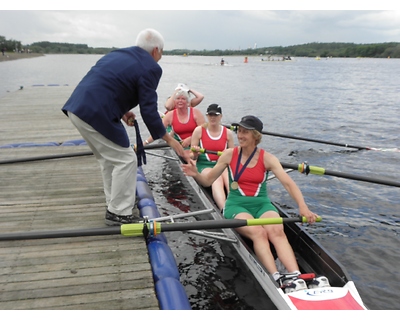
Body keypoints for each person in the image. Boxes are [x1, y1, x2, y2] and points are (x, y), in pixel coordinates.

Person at [61, 28, 188, 226]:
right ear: (156, 50)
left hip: (77, 108)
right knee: (126, 160)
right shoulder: (151, 67)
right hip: (96, 113)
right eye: (162, 52)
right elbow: (148, 110)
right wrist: (170, 140)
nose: (160, 56)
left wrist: (122, 112)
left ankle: (114, 205)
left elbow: (105, 84)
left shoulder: (117, 54)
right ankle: (119, 213)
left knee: (109, 160)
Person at [182, 115, 319, 290]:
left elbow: (288, 184)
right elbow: (208, 181)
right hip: (236, 206)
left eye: (245, 132)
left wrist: (303, 207)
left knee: (277, 228)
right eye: (239, 131)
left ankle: (296, 276)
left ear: (256, 136)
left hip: (262, 204)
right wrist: (196, 174)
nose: (240, 135)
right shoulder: (229, 155)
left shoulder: (268, 158)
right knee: (258, 232)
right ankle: (276, 278)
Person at [190, 104, 235, 210]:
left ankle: (235, 205)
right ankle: (224, 209)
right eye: (210, 115)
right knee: (217, 179)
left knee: (230, 179)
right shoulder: (199, 131)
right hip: (205, 165)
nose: (212, 117)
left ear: (221, 116)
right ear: (207, 116)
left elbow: (233, 157)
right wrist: (195, 154)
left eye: (215, 115)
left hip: (223, 165)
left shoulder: (228, 133)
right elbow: (191, 156)